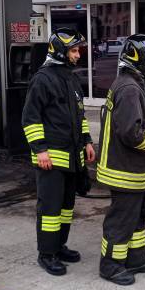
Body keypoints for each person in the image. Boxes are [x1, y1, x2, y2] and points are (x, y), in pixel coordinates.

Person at [96, 34, 145, 286]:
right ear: (140, 62)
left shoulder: (127, 84)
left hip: (130, 168)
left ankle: (136, 259)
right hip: (124, 171)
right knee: (121, 220)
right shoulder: (130, 88)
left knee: (137, 217)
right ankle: (110, 266)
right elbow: (131, 134)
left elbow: (131, 127)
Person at [22, 29, 96, 276]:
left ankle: (59, 246)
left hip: (72, 157)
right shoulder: (42, 79)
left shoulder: (71, 79)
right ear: (61, 52)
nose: (78, 55)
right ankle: (47, 254)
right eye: (74, 50)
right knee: (50, 210)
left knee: (65, 208)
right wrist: (40, 150)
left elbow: (80, 115)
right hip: (50, 160)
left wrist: (87, 141)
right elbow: (30, 119)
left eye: (78, 50)